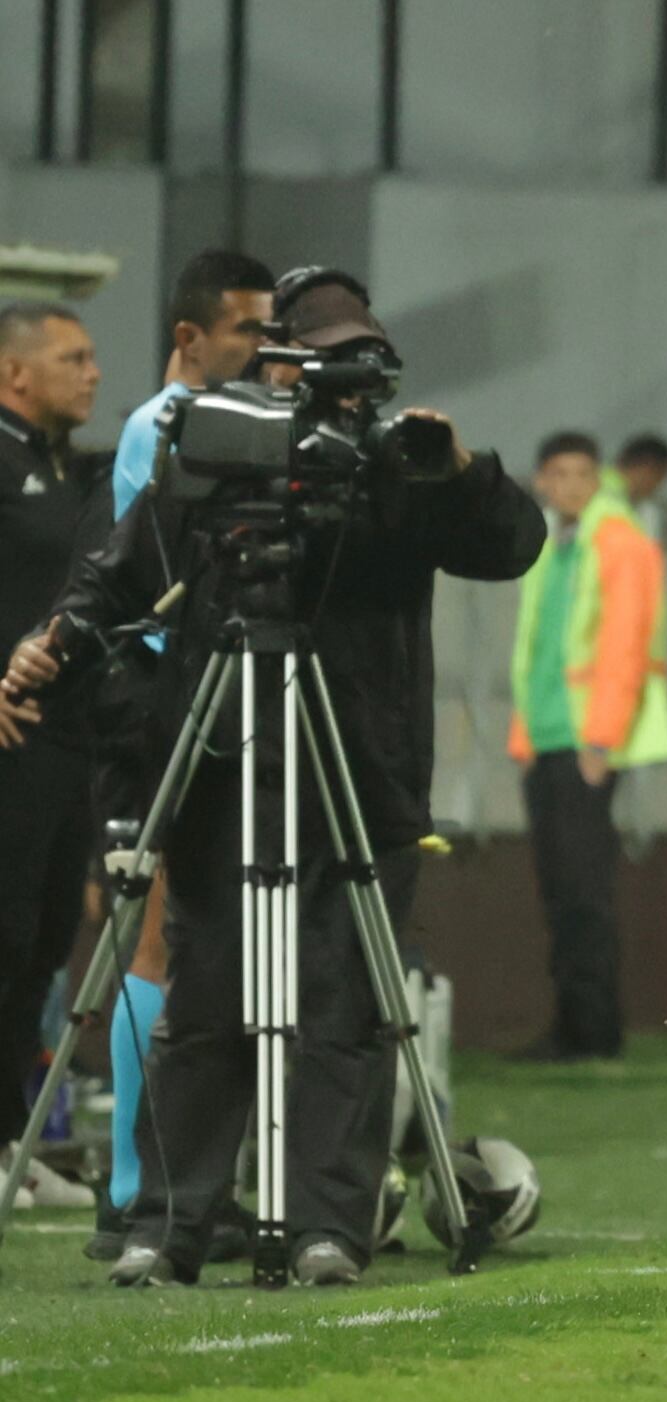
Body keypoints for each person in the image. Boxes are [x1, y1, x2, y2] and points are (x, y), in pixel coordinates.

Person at [2, 271, 545, 1287]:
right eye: (322, 369)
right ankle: (171, 1225)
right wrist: (56, 640)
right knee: (208, 993)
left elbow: (513, 543)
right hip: (226, 761)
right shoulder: (218, 445)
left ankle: (324, 1228)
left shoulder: (396, 462)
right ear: (279, 367)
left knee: (346, 1005)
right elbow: (122, 568)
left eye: (356, 372)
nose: (341, 395)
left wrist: (461, 469)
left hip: (361, 769)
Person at [87, 248, 277, 1258]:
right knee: (162, 941)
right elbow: (158, 582)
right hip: (172, 701)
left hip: (205, 698)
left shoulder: (222, 420)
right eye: (246, 329)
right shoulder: (165, 424)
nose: (263, 347)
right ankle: (135, 1184)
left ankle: (178, 1177)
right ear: (190, 339)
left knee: (192, 943)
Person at [507, 430, 667, 1063]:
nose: (572, 486)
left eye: (583, 473)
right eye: (559, 474)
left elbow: (624, 647)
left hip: (586, 740)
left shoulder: (618, 541)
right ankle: (572, 1026)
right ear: (541, 481)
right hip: (548, 738)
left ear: (597, 476)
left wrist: (601, 739)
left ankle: (594, 1031)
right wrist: (526, 734)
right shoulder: (555, 545)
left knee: (583, 891)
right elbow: (535, 651)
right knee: (561, 890)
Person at [0, 303, 103, 1211]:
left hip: (67, 742)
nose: (93, 372)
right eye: (73, 358)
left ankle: (9, 1140)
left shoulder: (68, 466)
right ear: (15, 372)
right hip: (10, 740)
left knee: (40, 942)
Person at [611, 432, 667, 539]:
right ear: (648, 470)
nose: (658, 487)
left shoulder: (645, 509)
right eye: (660, 477)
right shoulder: (607, 501)